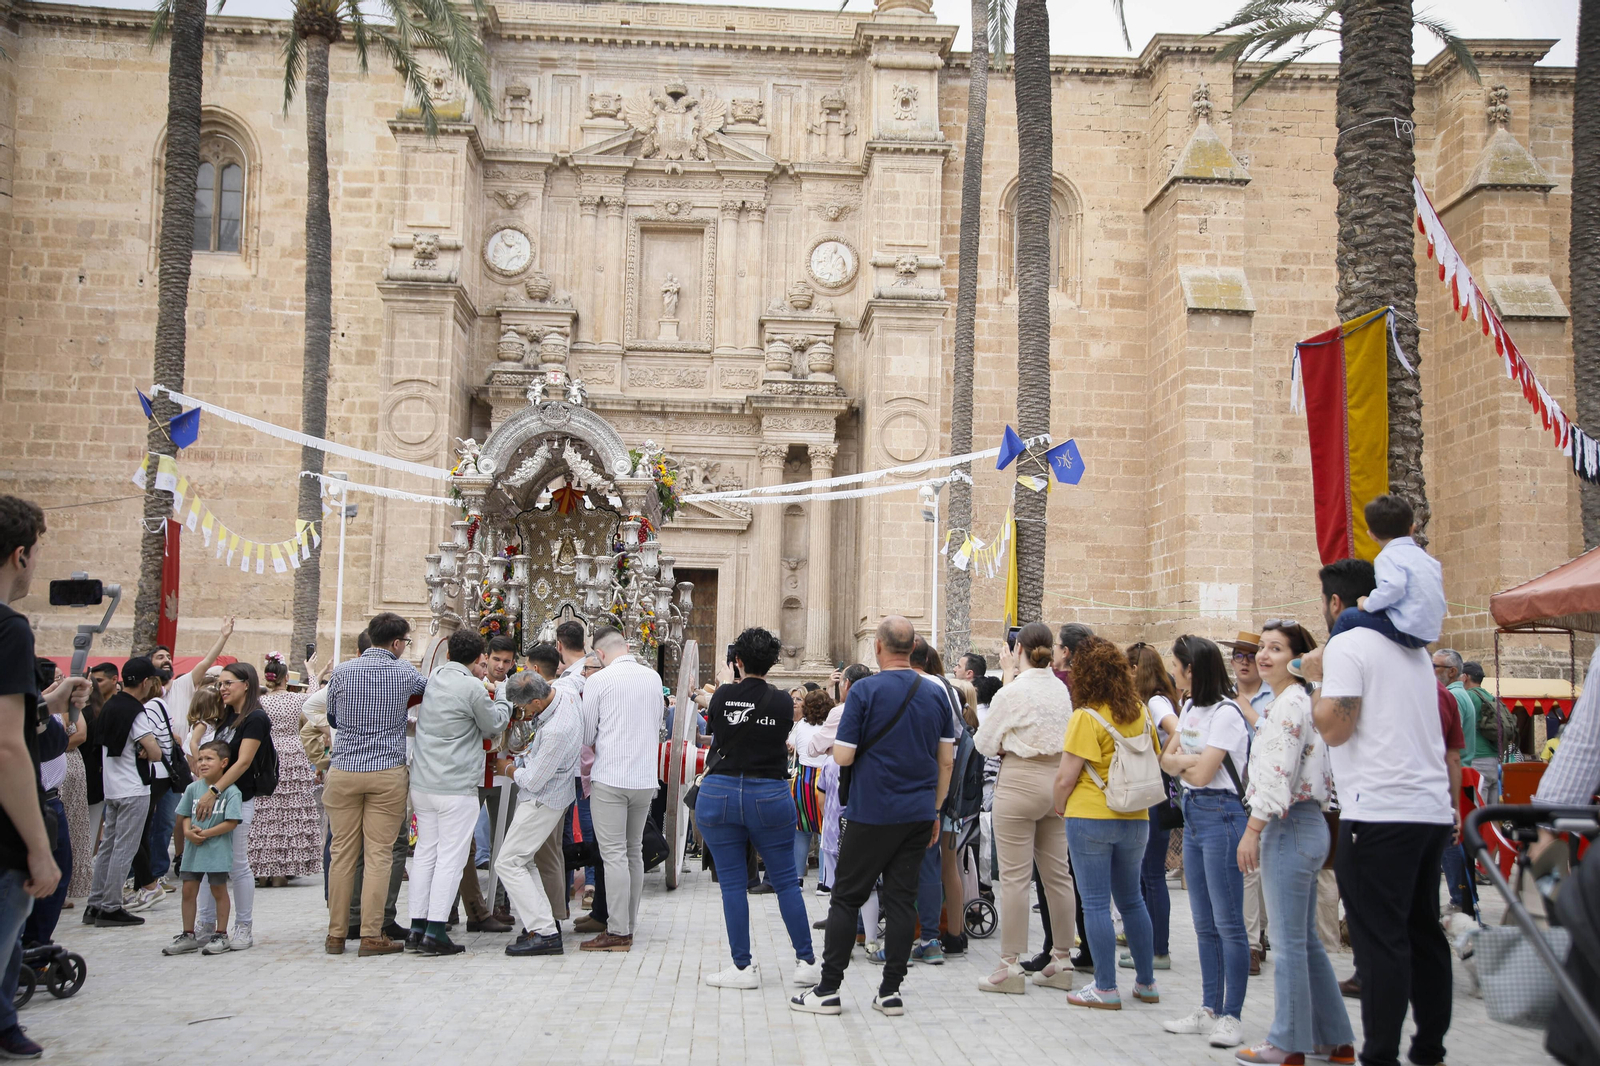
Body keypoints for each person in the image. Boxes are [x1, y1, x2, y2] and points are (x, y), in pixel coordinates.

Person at [1302, 558, 1454, 1066]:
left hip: (1378, 811)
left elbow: (1335, 728)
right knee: (1423, 933)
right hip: (1429, 809)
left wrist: (1318, 680)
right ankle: (1429, 1049)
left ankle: (1381, 1055)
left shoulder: (1348, 643)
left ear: (1336, 603)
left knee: (1380, 942)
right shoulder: (1414, 648)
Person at [791, 616, 954, 1019]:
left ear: (878, 648)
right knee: (901, 899)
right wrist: (934, 809)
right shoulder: (937, 694)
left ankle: (828, 989)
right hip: (918, 812)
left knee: (847, 897)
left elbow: (843, 755)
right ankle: (891, 992)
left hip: (871, 810)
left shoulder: (864, 691)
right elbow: (946, 761)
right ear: (913, 646)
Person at [1233, 622, 1354, 1065]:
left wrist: (1252, 830)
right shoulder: (1295, 702)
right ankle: (1335, 1038)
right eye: (1262, 647)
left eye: (1276, 649)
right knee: (1302, 941)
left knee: (1287, 943)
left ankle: (1287, 1042)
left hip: (1288, 824)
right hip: (1305, 824)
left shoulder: (1290, 704)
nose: (1263, 655)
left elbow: (1278, 774)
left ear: (1297, 659)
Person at [0, 496, 81, 1060]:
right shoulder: (10, 631)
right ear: (20, 555)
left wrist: (44, 702)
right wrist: (38, 848)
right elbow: (6, 748)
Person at [696, 627, 818, 989]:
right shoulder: (782, 701)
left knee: (733, 884)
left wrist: (728, 682)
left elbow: (717, 725)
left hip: (720, 792)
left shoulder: (722, 696)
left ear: (738, 660)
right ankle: (806, 960)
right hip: (769, 792)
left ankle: (742, 966)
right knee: (785, 883)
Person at [1053, 637, 1161, 1010]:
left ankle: (1105, 987)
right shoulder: (1141, 712)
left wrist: (1058, 805)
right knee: (1132, 901)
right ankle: (1146, 983)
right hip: (1137, 817)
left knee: (1095, 904)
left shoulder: (1086, 716)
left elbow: (1067, 777)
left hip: (1091, 816)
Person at [971, 622, 1077, 994]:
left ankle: (1010, 965)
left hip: (1019, 780)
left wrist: (1009, 679)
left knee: (1015, 878)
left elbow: (983, 743)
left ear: (1017, 651)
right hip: (1057, 781)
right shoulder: (1061, 691)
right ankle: (1062, 959)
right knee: (1057, 875)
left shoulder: (1013, 691)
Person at [1160, 634, 1251, 1049]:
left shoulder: (1228, 713)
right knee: (1202, 922)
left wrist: (1185, 765)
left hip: (1222, 815)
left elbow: (1198, 773)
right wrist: (1188, 764)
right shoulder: (1192, 707)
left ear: (1191, 668)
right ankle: (1209, 1007)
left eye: (1176, 666)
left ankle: (1232, 1014)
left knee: (1228, 922)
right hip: (1196, 815)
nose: (1172, 673)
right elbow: (1168, 758)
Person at [324, 611, 426, 957]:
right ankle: (371, 934)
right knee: (380, 854)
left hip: (344, 768)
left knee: (342, 854)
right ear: (397, 643)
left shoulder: (342, 671)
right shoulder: (404, 673)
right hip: (386, 769)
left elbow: (332, 717)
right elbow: (428, 695)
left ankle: (336, 934)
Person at [407, 629, 511, 955]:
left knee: (425, 854)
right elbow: (494, 724)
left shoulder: (436, 676)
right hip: (455, 785)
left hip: (423, 782)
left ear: (449, 654)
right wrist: (505, 697)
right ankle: (436, 931)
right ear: (478, 657)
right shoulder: (472, 688)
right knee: (450, 858)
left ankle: (417, 926)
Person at [579, 626, 665, 952]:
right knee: (633, 852)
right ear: (626, 646)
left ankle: (617, 931)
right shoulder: (653, 678)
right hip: (644, 777)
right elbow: (658, 723)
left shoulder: (598, 681)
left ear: (599, 654)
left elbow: (587, 735)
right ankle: (627, 923)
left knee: (613, 853)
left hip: (612, 777)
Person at [187, 662, 272, 950]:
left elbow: (244, 761)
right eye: (220, 683)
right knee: (211, 863)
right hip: (214, 800)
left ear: (245, 684)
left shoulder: (255, 718)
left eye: (228, 683)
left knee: (237, 864)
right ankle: (206, 924)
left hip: (237, 798)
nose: (222, 688)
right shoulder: (226, 718)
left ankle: (243, 926)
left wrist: (214, 790)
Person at [496, 672, 579, 956]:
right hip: (551, 796)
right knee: (523, 862)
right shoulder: (564, 692)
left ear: (536, 700)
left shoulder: (557, 730)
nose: (525, 714)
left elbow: (533, 781)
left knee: (507, 864)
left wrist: (507, 768)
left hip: (542, 800)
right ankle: (542, 927)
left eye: (525, 708)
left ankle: (544, 932)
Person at [86, 657, 165, 928]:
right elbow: (154, 752)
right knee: (125, 847)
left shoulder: (110, 706)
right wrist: (147, 750)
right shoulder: (136, 711)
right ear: (145, 682)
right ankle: (110, 907)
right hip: (133, 787)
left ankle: (95, 904)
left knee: (108, 846)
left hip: (112, 786)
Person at [1124, 642, 1181, 973]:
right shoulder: (1155, 699)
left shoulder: (1157, 702)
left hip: (1154, 792)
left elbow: (1178, 730)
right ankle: (1148, 946)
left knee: (1152, 873)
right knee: (1148, 873)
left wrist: (1161, 759)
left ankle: (1158, 949)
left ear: (1135, 670)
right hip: (1154, 792)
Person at [1329, 495, 1445, 650]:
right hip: (1429, 631)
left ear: (1371, 535)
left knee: (1346, 617)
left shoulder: (1388, 556)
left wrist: (1367, 603)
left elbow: (1393, 588)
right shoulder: (1426, 558)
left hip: (1407, 629)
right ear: (1412, 528)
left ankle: (1323, 660)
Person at [162, 740, 243, 956]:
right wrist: (188, 832)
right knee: (188, 890)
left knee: (218, 890)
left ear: (224, 763)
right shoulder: (192, 788)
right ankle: (188, 934)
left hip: (217, 850)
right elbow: (184, 815)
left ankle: (221, 933)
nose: (203, 763)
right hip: (193, 850)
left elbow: (232, 822)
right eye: (200, 759)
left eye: (209, 759)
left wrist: (206, 834)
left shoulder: (231, 791)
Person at [249, 651, 323, 888]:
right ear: (285, 679)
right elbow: (315, 696)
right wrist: (311, 672)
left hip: (268, 754)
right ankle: (282, 872)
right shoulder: (294, 699)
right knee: (290, 812)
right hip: (293, 753)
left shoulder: (261, 701)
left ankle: (262, 872)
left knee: (266, 815)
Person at [791, 688, 832, 892]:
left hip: (802, 781)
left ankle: (797, 879)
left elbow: (790, 745)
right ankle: (824, 882)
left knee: (801, 830)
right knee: (826, 832)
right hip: (825, 781)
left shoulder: (800, 726)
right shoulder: (831, 726)